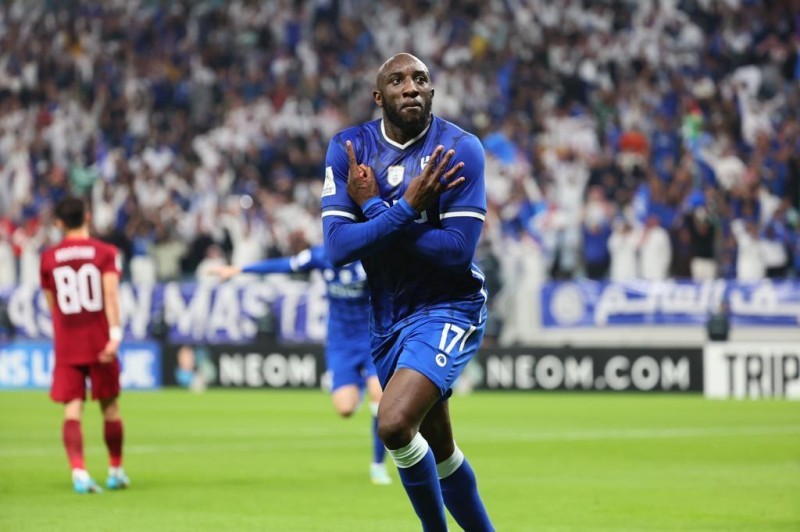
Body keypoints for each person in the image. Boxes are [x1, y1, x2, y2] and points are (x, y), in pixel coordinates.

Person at [321, 53, 494, 531]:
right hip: (386, 318)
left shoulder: (459, 149)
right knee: (441, 451)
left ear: (432, 92)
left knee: (394, 423)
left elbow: (456, 251)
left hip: (449, 306)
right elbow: (338, 248)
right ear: (379, 97)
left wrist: (378, 208)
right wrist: (405, 210)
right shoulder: (350, 148)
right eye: (397, 81)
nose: (411, 87)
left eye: (420, 79)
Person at [209, 245, 392, 485]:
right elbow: (284, 265)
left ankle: (378, 464)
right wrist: (240, 269)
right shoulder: (322, 255)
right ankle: (359, 383)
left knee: (379, 398)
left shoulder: (372, 253)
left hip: (372, 336)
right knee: (345, 409)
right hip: (340, 342)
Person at [39, 197, 130, 494]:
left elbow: (52, 303)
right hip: (99, 341)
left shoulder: (49, 258)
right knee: (110, 408)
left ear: (59, 223)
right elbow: (111, 294)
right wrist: (115, 334)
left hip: (68, 343)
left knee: (72, 410)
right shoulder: (105, 252)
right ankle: (115, 470)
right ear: (88, 217)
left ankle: (79, 473)